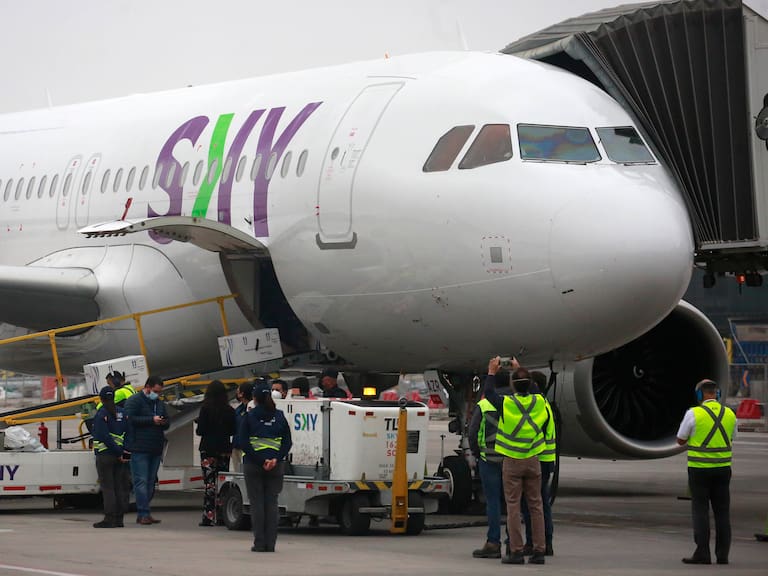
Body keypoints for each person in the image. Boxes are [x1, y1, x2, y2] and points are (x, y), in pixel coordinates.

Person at [484, 356, 548, 565]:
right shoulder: (539, 402)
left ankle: (516, 551)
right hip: (532, 460)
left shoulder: (507, 404)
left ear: (513, 385)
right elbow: (536, 390)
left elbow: (489, 394)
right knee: (536, 506)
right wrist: (520, 369)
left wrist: (492, 372)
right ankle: (539, 551)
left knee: (513, 507)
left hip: (512, 461)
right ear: (530, 384)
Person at [676, 379, 736, 565]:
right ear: (717, 394)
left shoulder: (693, 413)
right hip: (723, 470)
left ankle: (702, 552)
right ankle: (723, 555)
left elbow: (680, 440)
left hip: (699, 471)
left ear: (700, 395)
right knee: (723, 512)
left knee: (700, 510)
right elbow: (733, 437)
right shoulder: (730, 414)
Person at [239, 385, 292, 552]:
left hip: (254, 465)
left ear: (254, 399)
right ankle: (271, 544)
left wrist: (262, 460)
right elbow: (287, 442)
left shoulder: (250, 416)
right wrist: (276, 459)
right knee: (272, 504)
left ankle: (259, 543)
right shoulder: (279, 416)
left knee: (257, 504)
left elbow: (243, 442)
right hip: (276, 466)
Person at [468, 368, 512, 558]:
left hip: (488, 459)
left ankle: (493, 542)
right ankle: (514, 543)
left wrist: (477, 454)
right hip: (511, 458)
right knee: (513, 503)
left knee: (493, 502)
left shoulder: (484, 404)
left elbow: (472, 432)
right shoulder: (514, 404)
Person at [124, 375, 170, 525]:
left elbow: (167, 422)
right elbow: (130, 418)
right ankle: (143, 513)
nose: (158, 394)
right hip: (140, 447)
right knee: (141, 481)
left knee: (150, 482)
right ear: (148, 387)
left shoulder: (159, 402)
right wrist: (151, 420)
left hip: (155, 447)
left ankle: (145, 512)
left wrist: (162, 421)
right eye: (156, 391)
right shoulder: (134, 400)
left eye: (160, 391)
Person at [521, 370, 556, 556]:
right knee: (542, 503)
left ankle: (534, 542)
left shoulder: (538, 404)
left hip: (538, 460)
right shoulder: (545, 404)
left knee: (532, 504)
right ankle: (546, 541)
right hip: (546, 460)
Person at [196, 380, 236, 526]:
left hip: (208, 450)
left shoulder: (205, 409)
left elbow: (200, 431)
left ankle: (208, 516)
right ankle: (221, 516)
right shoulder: (229, 410)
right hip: (224, 449)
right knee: (222, 483)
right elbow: (233, 430)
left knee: (210, 484)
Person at [91, 386, 131, 528]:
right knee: (120, 487)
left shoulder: (102, 414)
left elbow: (104, 437)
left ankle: (109, 518)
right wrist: (124, 453)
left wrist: (117, 452)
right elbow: (129, 434)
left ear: (101, 399)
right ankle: (119, 519)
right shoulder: (122, 413)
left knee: (108, 488)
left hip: (105, 456)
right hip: (121, 457)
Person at [232, 381, 253, 469]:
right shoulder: (239, 409)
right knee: (237, 472)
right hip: (236, 445)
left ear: (242, 394)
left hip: (247, 447)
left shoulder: (252, 408)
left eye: (238, 391)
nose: (236, 393)